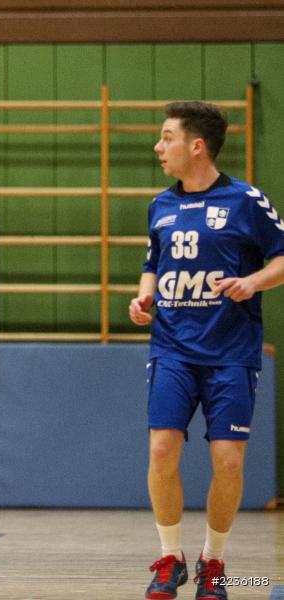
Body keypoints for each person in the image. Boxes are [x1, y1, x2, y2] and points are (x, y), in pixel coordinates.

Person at [129, 102, 284, 599]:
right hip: (172, 348)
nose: (158, 146)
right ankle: (169, 558)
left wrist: (252, 282)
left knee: (229, 461)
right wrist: (144, 296)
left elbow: (282, 258)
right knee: (161, 449)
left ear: (196, 146)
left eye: (166, 136)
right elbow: (152, 263)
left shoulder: (246, 201)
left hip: (231, 352)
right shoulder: (161, 205)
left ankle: (212, 561)